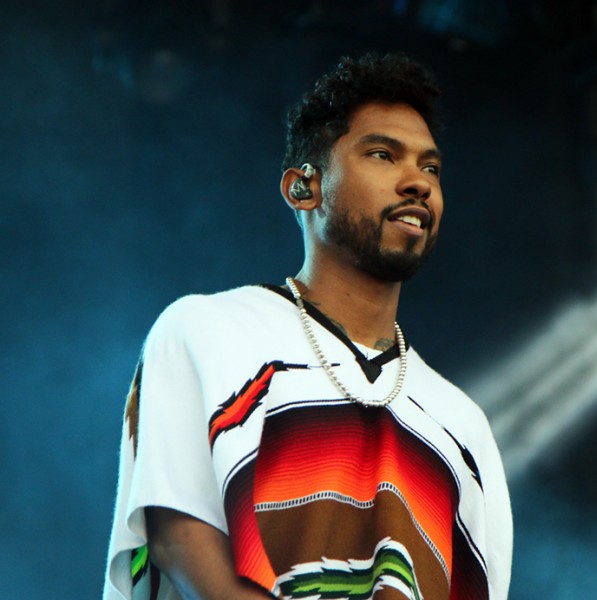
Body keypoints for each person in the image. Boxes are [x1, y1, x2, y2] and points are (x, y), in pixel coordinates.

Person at [104, 51, 512, 600]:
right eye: (383, 155)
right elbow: (178, 539)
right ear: (303, 188)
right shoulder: (206, 332)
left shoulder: (462, 427)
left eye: (431, 168)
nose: (417, 182)